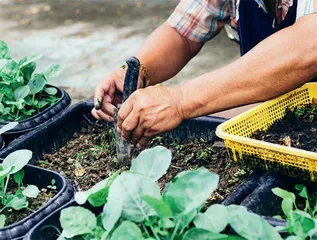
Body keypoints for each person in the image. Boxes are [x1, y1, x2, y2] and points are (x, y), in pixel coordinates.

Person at [92, 0, 317, 148]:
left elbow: (308, 43)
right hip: (279, 119)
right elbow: (182, 33)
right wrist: (137, 70)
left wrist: (179, 100)